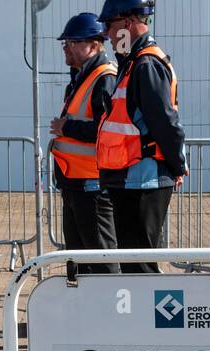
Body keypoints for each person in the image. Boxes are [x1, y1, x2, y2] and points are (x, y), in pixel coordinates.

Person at [95, 1, 186, 274]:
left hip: (145, 180)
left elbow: (165, 122)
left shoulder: (146, 64)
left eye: (110, 26)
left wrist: (177, 165)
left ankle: (148, 316)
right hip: (131, 179)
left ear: (128, 22)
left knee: (141, 265)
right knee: (134, 262)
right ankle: (138, 315)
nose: (108, 35)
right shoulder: (132, 63)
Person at [48, 13, 119, 274]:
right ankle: (84, 310)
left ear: (93, 44)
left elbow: (107, 130)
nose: (66, 47)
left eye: (72, 42)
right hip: (75, 182)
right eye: (65, 42)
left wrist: (66, 127)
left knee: (101, 257)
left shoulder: (104, 78)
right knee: (78, 259)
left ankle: (113, 307)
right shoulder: (80, 77)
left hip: (93, 185)